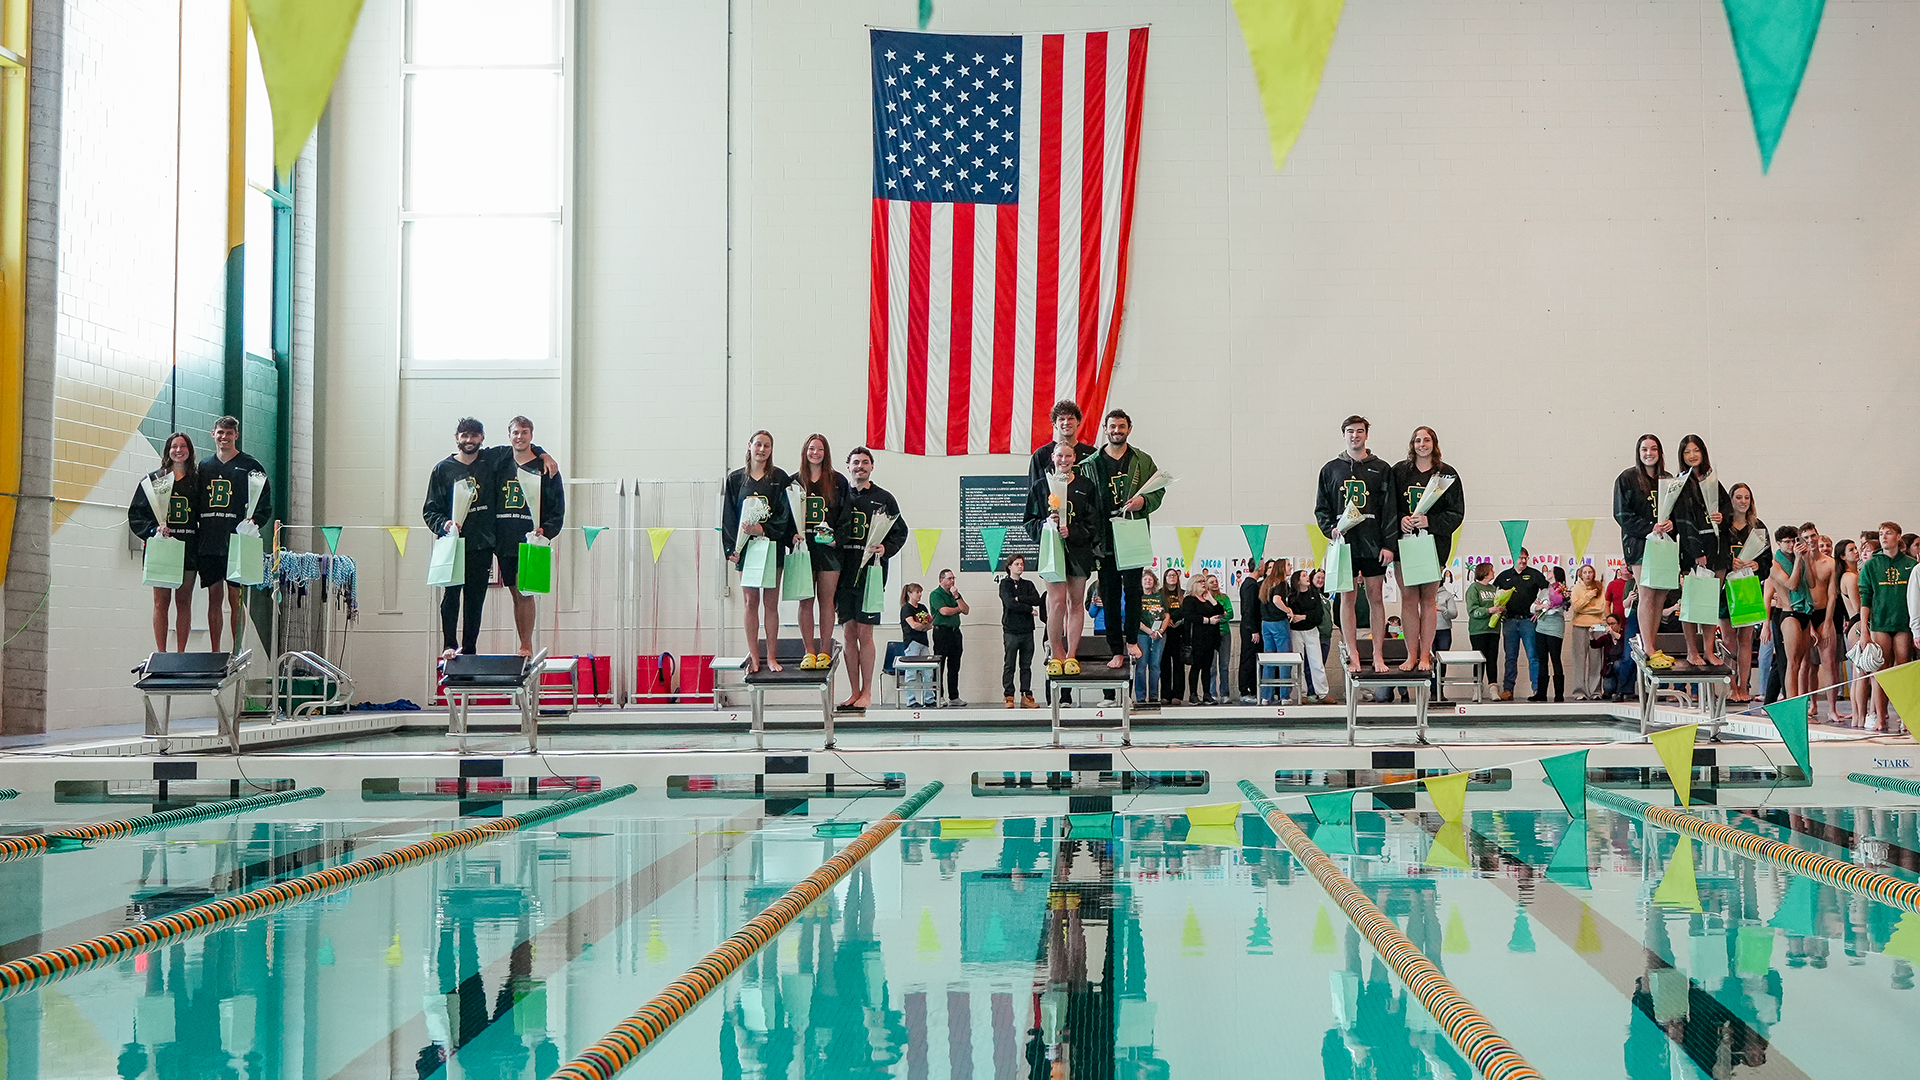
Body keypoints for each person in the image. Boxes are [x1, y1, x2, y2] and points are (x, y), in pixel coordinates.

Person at [422, 418, 553, 659]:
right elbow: (430, 510)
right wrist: (444, 525)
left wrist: (546, 456)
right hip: (454, 542)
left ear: (482, 438)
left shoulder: (491, 460)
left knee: (475, 600)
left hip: (482, 542)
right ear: (456, 438)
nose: (469, 440)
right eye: (464, 436)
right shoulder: (442, 469)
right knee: (451, 595)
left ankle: (469, 650)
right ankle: (449, 644)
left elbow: (523, 445)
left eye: (474, 436)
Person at [1083, 409, 1164, 671]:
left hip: (1133, 533)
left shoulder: (1143, 460)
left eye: (1121, 426)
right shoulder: (1091, 463)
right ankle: (1115, 649)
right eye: (1112, 426)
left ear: (1129, 428)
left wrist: (1144, 502)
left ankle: (1131, 640)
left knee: (1133, 591)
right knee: (1109, 594)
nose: (1117, 430)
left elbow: (1158, 490)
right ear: (1105, 429)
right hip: (1104, 537)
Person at [1315, 415, 1397, 674]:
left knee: (1375, 598)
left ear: (1366, 435)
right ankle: (1353, 655)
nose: (1355, 436)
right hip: (1345, 543)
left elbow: (1390, 509)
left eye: (1359, 431)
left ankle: (1377, 654)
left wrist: (1388, 544)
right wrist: (1331, 529)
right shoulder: (1331, 469)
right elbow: (1322, 507)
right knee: (1346, 599)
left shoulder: (1382, 468)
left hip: (1373, 543)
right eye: (1350, 431)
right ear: (1343, 434)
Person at [837, 446, 908, 710]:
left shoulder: (884, 498)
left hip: (872, 574)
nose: (860, 466)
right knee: (847, 631)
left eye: (865, 462)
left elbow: (900, 531)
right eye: (855, 462)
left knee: (865, 632)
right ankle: (853, 691)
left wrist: (886, 548)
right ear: (848, 466)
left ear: (872, 467)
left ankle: (867, 692)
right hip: (843, 573)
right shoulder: (840, 495)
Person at [720, 430, 795, 673]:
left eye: (767, 446)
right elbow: (729, 517)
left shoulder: (780, 478)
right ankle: (754, 656)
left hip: (771, 546)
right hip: (746, 549)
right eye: (759, 444)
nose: (762, 449)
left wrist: (762, 528)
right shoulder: (735, 480)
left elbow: (785, 515)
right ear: (749, 446)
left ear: (771, 450)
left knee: (770, 603)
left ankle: (771, 656)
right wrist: (732, 548)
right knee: (750, 601)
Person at [1391, 425, 1465, 673]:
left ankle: (1426, 655)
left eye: (1426, 440)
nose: (1421, 444)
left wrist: (1430, 522)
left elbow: (1456, 514)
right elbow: (1388, 507)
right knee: (1409, 600)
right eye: (1417, 440)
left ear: (1434, 443)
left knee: (1428, 600)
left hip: (1433, 545)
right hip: (1406, 544)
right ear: (1412, 444)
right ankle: (1411, 654)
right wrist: (1401, 518)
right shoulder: (1400, 472)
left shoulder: (1447, 474)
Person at [197, 415, 275, 652]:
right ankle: (215, 650)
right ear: (213, 434)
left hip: (236, 539)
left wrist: (255, 521)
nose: (224, 437)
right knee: (214, 596)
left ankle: (236, 649)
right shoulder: (204, 466)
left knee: (235, 596)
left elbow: (263, 500)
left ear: (236, 436)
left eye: (229, 433)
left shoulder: (251, 465)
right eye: (220, 432)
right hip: (210, 539)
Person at [492, 416, 566, 657]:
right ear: (509, 435)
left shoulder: (545, 468)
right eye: (515, 432)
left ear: (531, 435)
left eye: (525, 432)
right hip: (504, 537)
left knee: (526, 591)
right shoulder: (500, 461)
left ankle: (526, 643)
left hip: (531, 537)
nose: (520, 436)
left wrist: (548, 529)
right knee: (514, 591)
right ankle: (522, 642)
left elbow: (557, 507)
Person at [1026, 441, 1100, 679]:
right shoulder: (1040, 486)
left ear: (1074, 457)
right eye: (1060, 455)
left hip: (1078, 552)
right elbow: (1029, 520)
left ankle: (1071, 654)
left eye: (1068, 455)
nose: (1064, 460)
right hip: (1051, 550)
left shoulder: (1086, 486)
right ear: (1052, 457)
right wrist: (1046, 526)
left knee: (1075, 603)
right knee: (1056, 603)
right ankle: (1056, 651)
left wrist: (1073, 531)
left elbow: (1093, 523)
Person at [129, 432, 200, 652]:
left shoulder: (198, 481)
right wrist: (152, 530)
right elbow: (136, 514)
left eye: (183, 446)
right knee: (161, 602)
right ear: (168, 450)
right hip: (162, 545)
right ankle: (161, 652)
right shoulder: (153, 480)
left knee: (184, 601)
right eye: (174, 446)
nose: (179, 450)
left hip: (188, 546)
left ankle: (181, 653)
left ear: (190, 450)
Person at [790, 434, 853, 671]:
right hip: (804, 550)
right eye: (811, 448)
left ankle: (825, 649)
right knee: (806, 600)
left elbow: (846, 516)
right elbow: (785, 516)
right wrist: (791, 536)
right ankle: (809, 651)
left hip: (828, 550)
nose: (815, 453)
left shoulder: (838, 481)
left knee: (827, 601)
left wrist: (837, 539)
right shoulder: (794, 481)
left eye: (820, 449)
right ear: (805, 451)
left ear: (826, 453)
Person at [1613, 433, 1675, 666]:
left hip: (1664, 544)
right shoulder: (1627, 479)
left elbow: (1676, 512)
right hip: (1640, 544)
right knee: (1647, 592)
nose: (1649, 453)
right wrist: (1650, 527)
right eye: (1644, 449)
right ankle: (1647, 647)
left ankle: (1653, 642)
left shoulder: (1668, 479)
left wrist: (1671, 524)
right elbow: (1621, 515)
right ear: (1639, 453)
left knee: (1660, 595)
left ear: (1660, 453)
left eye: (1653, 449)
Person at [1859, 521, 1916, 730]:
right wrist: (1864, 630)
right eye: (1881, 533)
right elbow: (1865, 598)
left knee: (1902, 669)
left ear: (1898, 536)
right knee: (1882, 672)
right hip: (1880, 623)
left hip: (1903, 623)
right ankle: (1881, 716)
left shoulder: (1910, 564)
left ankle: (1904, 716)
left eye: (1888, 533)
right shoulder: (1872, 565)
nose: (1883, 537)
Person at [1722, 483, 1768, 703]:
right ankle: (1731, 687)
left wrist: (1756, 564)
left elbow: (1768, 561)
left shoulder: (1758, 528)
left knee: (1746, 640)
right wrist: (1727, 563)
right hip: (1726, 587)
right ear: (1731, 499)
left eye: (1746, 498)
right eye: (1738, 497)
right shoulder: (1723, 527)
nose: (1742, 501)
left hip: (1748, 587)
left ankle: (1743, 685)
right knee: (1729, 640)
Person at [1768, 526, 1815, 703]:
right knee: (1791, 663)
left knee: (1802, 661)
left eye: (1793, 541)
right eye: (1786, 542)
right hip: (1788, 614)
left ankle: (1797, 700)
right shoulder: (1775, 565)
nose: (1791, 545)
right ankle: (1791, 703)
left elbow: (1810, 583)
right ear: (1779, 544)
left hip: (1804, 612)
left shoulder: (1800, 559)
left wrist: (1807, 559)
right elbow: (1792, 585)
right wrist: (1796, 561)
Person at [1494, 549, 1548, 701]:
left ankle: (1537, 689)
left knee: (1533, 656)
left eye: (1526, 558)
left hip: (1528, 621)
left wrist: (1541, 606)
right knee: (1510, 657)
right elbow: (1495, 594)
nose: (1523, 561)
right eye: (1520, 558)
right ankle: (1508, 689)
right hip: (1510, 621)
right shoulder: (1504, 576)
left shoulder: (1534, 574)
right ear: (1513, 558)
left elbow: (1547, 591)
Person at [998, 554, 1042, 708]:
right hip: (1011, 630)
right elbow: (1010, 603)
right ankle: (1009, 695)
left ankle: (1026, 694)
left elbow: (1037, 599)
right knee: (1009, 664)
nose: (1020, 567)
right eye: (1017, 564)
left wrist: (1020, 598)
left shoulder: (1028, 584)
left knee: (1026, 665)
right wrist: (1029, 609)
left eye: (1022, 564)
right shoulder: (1005, 584)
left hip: (1027, 630)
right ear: (1010, 566)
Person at [1181, 574, 1225, 705]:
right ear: (1193, 584)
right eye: (1200, 581)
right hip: (1196, 638)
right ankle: (1193, 694)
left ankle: (1207, 693)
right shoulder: (1189, 600)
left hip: (1210, 639)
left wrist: (1212, 599)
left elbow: (1220, 611)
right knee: (1196, 666)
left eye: (1204, 581)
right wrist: (1207, 621)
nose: (1203, 584)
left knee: (1208, 667)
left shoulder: (1207, 600)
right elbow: (1189, 616)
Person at [1566, 564, 1608, 699]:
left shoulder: (1600, 588)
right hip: (1579, 625)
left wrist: (1586, 608)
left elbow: (1601, 608)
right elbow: (1577, 607)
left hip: (1597, 626)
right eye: (1585, 572)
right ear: (1581, 574)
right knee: (1579, 659)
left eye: (1590, 572)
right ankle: (1579, 691)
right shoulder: (1577, 589)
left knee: (1596, 659)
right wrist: (1589, 596)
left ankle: (1595, 691)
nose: (1588, 574)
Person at [929, 568, 970, 706]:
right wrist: (958, 609)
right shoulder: (935, 594)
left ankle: (954, 696)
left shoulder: (955, 594)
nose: (952, 581)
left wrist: (957, 597)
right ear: (941, 580)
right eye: (949, 578)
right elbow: (944, 611)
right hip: (942, 632)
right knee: (940, 665)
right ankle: (938, 696)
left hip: (955, 632)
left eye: (953, 578)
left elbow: (966, 610)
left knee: (954, 666)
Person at [1833, 538, 1864, 723]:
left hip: (1856, 624)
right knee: (1859, 674)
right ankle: (1858, 715)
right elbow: (1859, 607)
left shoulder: (1855, 574)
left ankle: (1859, 713)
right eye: (1851, 550)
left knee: (1859, 673)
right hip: (1857, 624)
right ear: (1843, 556)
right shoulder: (1850, 577)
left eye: (1856, 548)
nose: (1856, 551)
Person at [1257, 561, 1295, 704]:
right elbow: (1276, 599)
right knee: (1284, 660)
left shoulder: (1266, 583)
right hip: (1278, 623)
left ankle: (1266, 696)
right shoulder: (1281, 584)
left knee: (1269, 660)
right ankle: (1285, 696)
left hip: (1265, 624)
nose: (1291, 567)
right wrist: (1288, 611)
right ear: (1282, 568)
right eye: (1288, 565)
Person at [1288, 569, 1328, 703]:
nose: (1307, 578)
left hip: (1312, 630)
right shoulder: (1292, 596)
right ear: (1298, 581)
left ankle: (1323, 693)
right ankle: (1301, 693)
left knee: (1317, 662)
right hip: (1296, 631)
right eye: (1304, 576)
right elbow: (1293, 617)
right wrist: (1301, 617)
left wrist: (1304, 617)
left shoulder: (1314, 593)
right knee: (1298, 663)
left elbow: (1318, 615)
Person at [1533, 566, 1569, 703]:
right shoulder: (1543, 591)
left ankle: (1559, 694)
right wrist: (1542, 607)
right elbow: (1533, 607)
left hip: (1555, 628)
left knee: (1555, 659)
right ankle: (1541, 693)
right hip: (1541, 628)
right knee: (1542, 660)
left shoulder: (1562, 590)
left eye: (1550, 571)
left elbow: (1560, 608)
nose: (1547, 573)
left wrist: (1550, 608)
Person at [898, 584, 935, 707]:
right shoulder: (906, 609)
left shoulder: (922, 607)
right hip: (912, 642)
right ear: (909, 593)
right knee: (911, 673)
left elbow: (930, 624)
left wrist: (924, 626)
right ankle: (911, 700)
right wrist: (923, 627)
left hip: (923, 642)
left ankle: (929, 699)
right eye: (917, 592)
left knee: (928, 672)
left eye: (920, 592)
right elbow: (913, 625)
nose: (919, 595)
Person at [1467, 564, 1500, 690]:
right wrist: (1489, 610)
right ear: (1485, 572)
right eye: (1491, 570)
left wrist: (1500, 609)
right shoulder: (1474, 588)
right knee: (1479, 660)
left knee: (1492, 659)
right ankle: (1477, 687)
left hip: (1493, 629)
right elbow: (1472, 610)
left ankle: (1493, 687)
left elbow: (1498, 603)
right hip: (1478, 630)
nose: (1493, 572)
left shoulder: (1494, 588)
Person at [1136, 570, 1166, 704]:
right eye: (1145, 579)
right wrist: (1149, 631)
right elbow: (1134, 618)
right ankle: (1140, 696)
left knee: (1155, 665)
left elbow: (1167, 615)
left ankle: (1154, 696)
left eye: (1150, 579)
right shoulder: (1137, 597)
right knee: (1141, 666)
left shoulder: (1160, 597)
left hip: (1159, 635)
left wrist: (1160, 631)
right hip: (1142, 634)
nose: (1148, 581)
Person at [1238, 562, 1266, 703]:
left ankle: (1254, 689)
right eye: (1264, 565)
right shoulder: (1250, 585)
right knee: (1248, 658)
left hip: (1253, 626)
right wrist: (1253, 629)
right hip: (1250, 628)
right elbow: (1248, 609)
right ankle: (1245, 690)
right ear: (1259, 567)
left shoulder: (1253, 584)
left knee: (1253, 658)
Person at [1158, 567, 1186, 700]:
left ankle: (1178, 695)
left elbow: (1186, 611)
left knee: (1179, 664)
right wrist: (1167, 620)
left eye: (1174, 575)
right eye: (1169, 575)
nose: (1172, 577)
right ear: (1165, 578)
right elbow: (1158, 611)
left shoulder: (1183, 594)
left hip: (1179, 632)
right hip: (1164, 632)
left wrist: (1176, 620)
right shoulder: (1159, 594)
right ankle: (1165, 695)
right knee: (1165, 665)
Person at [1594, 614, 1633, 701]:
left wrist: (1613, 633)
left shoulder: (1625, 634)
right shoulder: (1607, 637)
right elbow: (1595, 644)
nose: (1610, 626)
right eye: (1608, 624)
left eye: (1613, 623)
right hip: (1610, 667)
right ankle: (1614, 689)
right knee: (1609, 688)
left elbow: (1624, 641)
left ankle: (1624, 690)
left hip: (1622, 665)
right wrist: (1591, 635)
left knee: (1618, 665)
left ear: (1619, 624)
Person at [1210, 573, 1235, 702]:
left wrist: (1219, 618)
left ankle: (1224, 693)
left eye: (1216, 581)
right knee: (1212, 666)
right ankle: (1212, 693)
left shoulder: (1224, 598)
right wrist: (1221, 614)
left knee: (1224, 665)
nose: (1215, 583)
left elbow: (1230, 613)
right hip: (1211, 635)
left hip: (1225, 633)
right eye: (1212, 582)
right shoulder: (1205, 599)